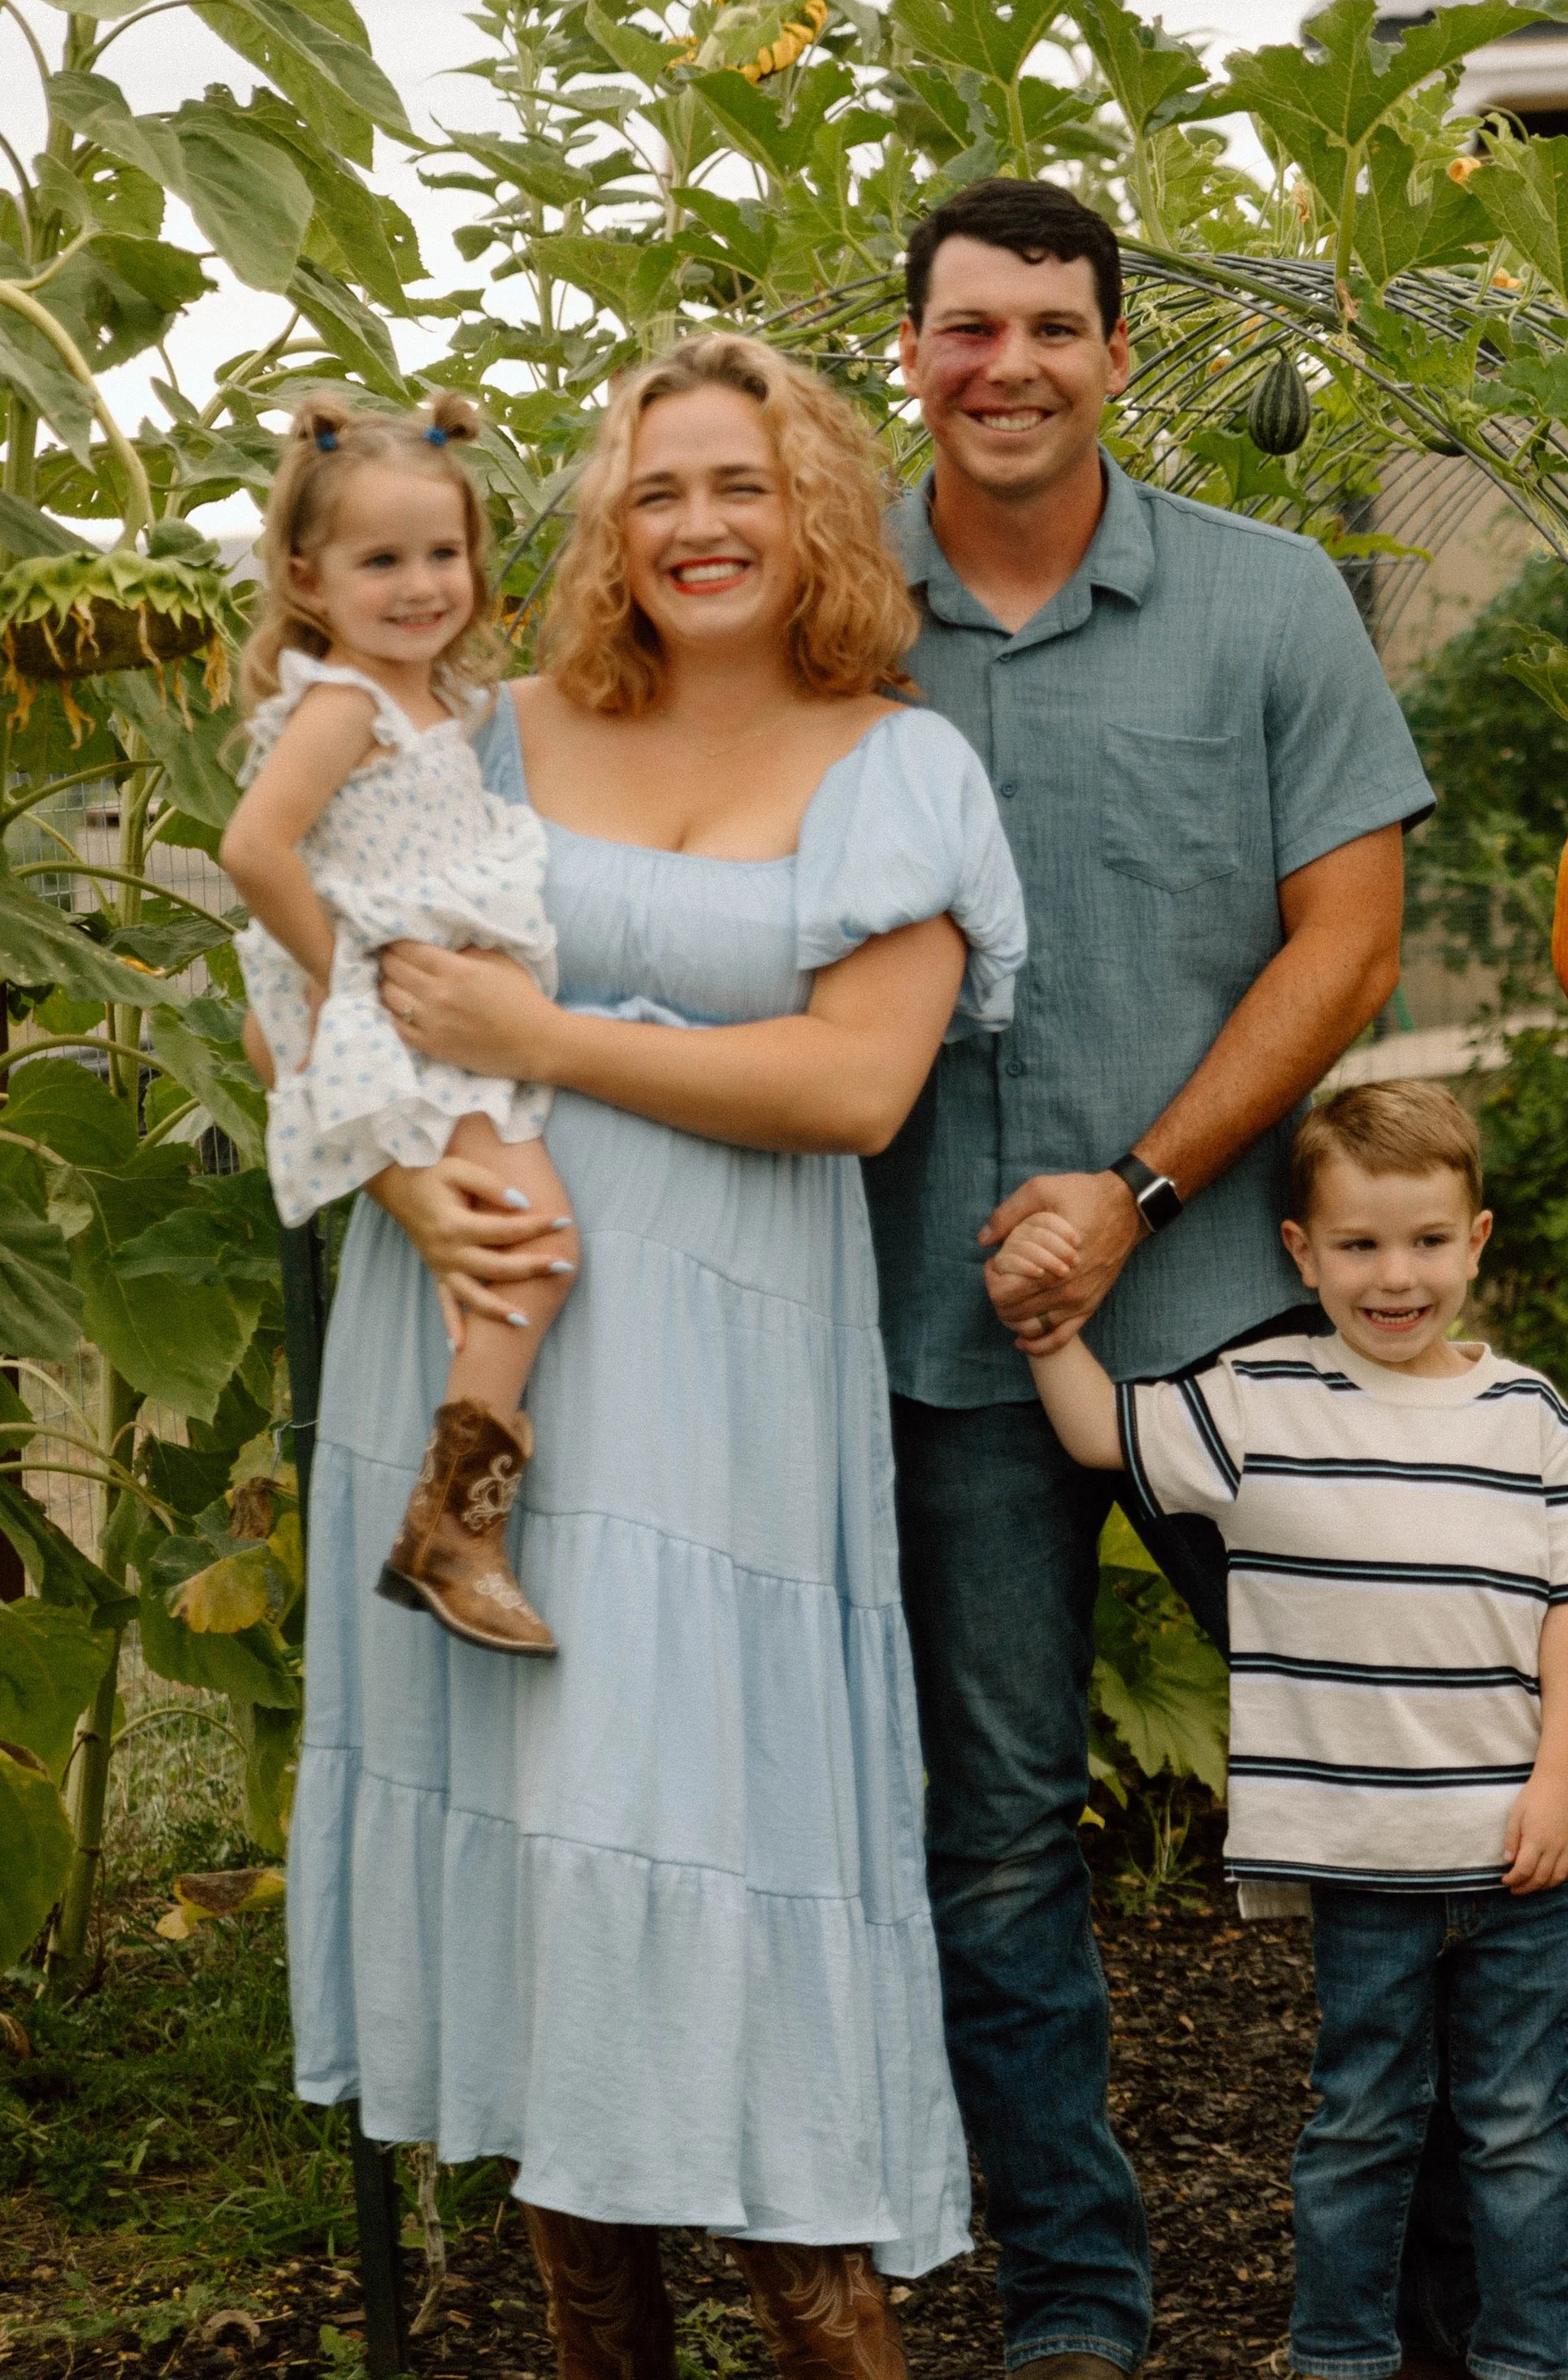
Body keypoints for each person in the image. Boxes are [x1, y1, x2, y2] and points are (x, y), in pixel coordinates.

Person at [284, 332, 1027, 2380]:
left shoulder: (897, 767)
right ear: (609, 527)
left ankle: (820, 2317)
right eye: (657, 491)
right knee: (543, 1837)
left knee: (710, 1829)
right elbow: (312, 985)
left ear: (817, 513)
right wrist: (410, 1189)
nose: (699, 526)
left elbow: (855, 1087)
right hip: (480, 1364)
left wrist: (543, 1040)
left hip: (722, 1392)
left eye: (741, 485)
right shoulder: (486, 738)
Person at [864, 176, 1436, 2378]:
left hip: (1227, 1308)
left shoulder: (1265, 599)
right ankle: (1075, 2305)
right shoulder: (829, 614)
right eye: (966, 327)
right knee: (1000, 1837)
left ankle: (1430, 2288)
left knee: (1385, 1776)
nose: (1005, 366)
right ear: (910, 354)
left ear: (1115, 352)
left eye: (1048, 327)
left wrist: (1136, 1186)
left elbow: (1346, 942)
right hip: (931, 1331)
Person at [1005, 1079, 1568, 2380]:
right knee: (1361, 2123)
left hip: (1516, 1855)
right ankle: (1340, 2356)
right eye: (1359, 1244)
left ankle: (1525, 2360)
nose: (1396, 1276)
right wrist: (1047, 1323)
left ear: (1477, 1240)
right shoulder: (1258, 1399)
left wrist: (1563, 1776)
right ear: (1301, 1251)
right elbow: (1101, 1432)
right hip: (1362, 1860)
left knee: (1523, 2127)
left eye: (1428, 1240)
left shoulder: (1531, 1415)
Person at [223, 390, 578, 1658]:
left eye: (444, 553)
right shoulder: (346, 705)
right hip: (396, 1010)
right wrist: (347, 984)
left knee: (510, 1253)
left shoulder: (432, 699)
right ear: (305, 578)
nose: (422, 585)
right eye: (382, 560)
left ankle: (456, 1514)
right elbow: (253, 849)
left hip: (423, 1006)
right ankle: (455, 1527)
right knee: (536, 1246)